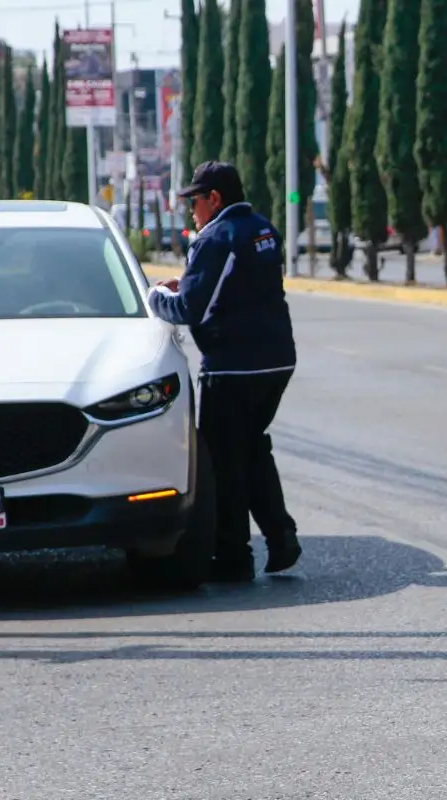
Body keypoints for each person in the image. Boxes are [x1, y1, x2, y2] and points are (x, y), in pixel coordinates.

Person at [145, 160, 301, 581]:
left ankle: (233, 557)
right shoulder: (262, 227)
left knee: (224, 462)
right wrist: (189, 282)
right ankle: (281, 539)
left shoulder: (215, 237)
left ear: (214, 199)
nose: (191, 211)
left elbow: (188, 309)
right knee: (251, 448)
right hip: (277, 360)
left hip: (234, 368)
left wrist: (154, 296)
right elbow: (233, 286)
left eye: (195, 201)